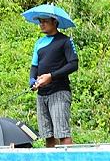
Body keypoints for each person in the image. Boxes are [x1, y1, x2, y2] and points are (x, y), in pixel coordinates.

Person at [29, 16, 78, 147]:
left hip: (59, 92)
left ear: (54, 22)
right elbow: (34, 66)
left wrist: (51, 76)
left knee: (62, 132)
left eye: (45, 21)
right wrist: (32, 80)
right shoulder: (39, 43)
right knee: (47, 134)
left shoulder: (65, 41)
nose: (41, 24)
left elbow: (73, 64)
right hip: (42, 94)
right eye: (40, 22)